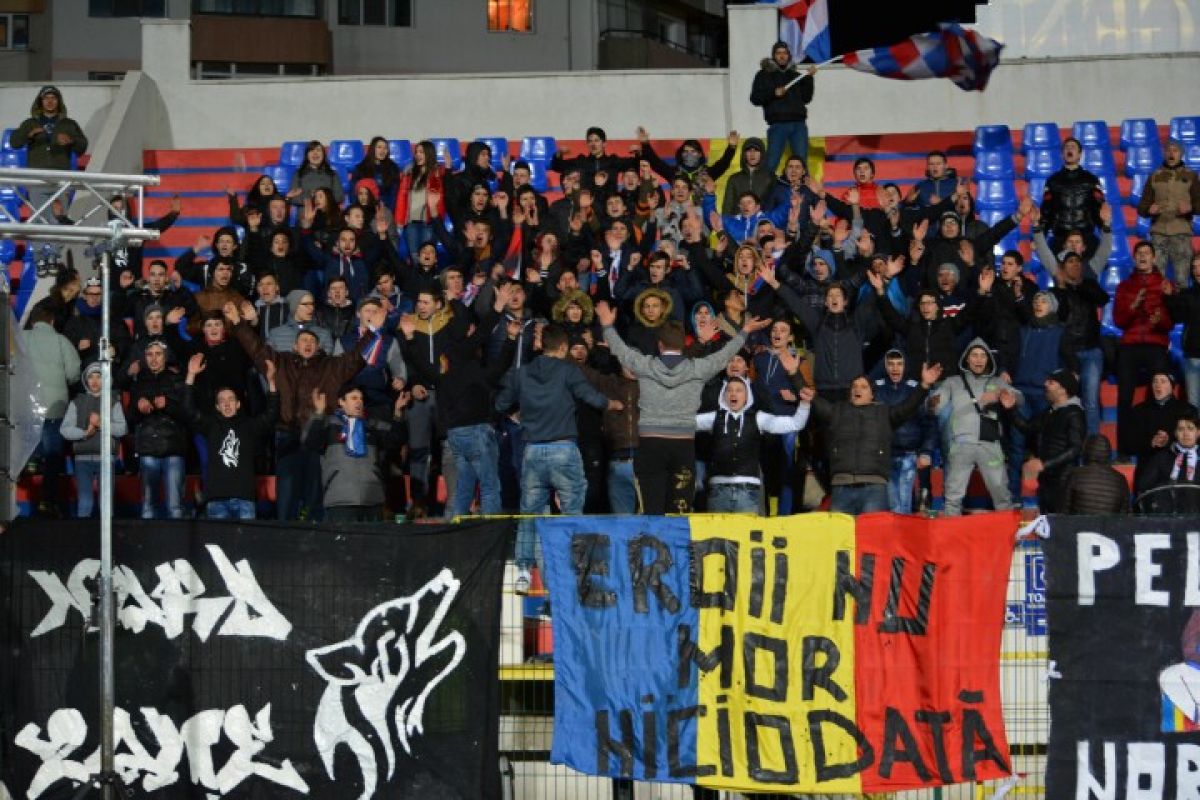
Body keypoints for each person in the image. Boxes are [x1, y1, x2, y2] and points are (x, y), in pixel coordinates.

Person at [597, 300, 770, 514]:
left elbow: (620, 350)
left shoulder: (645, 365)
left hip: (651, 446)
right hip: (683, 446)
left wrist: (607, 325)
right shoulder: (697, 368)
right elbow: (725, 354)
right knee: (678, 512)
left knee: (652, 511)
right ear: (682, 345)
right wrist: (744, 331)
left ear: (660, 345)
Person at [495, 325, 621, 593]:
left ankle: (523, 572)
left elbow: (501, 404)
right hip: (563, 448)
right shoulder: (568, 371)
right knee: (572, 510)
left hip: (532, 451)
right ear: (563, 347)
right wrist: (611, 404)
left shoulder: (522, 373)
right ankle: (573, 571)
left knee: (530, 513)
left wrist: (521, 411)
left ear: (543, 345)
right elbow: (590, 397)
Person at [227, 301, 373, 521]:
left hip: (318, 437)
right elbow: (256, 349)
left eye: (312, 341)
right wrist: (239, 324)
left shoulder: (331, 366)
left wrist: (372, 332)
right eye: (303, 340)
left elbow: (356, 359)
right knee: (286, 498)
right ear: (295, 346)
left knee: (315, 496)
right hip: (287, 434)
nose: (308, 343)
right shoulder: (281, 362)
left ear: (319, 347)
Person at [808, 362, 943, 515]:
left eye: (863, 387)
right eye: (854, 386)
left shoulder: (884, 414)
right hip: (842, 487)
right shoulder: (837, 412)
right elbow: (815, 401)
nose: (857, 389)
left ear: (872, 394)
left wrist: (924, 385)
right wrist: (794, 374)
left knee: (873, 530)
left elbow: (907, 407)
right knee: (840, 531)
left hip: (874, 488)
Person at [694, 349, 812, 514]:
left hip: (748, 491)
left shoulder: (758, 418)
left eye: (739, 390)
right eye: (730, 390)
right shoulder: (714, 417)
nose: (733, 394)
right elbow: (684, 423)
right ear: (724, 395)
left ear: (747, 395)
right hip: (718, 491)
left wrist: (804, 404)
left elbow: (794, 424)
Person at [932, 339, 1023, 516]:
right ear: (967, 359)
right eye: (974, 355)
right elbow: (934, 405)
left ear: (988, 359)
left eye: (983, 355)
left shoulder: (997, 382)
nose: (979, 359)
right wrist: (932, 402)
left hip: (990, 444)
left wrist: (1001, 393)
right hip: (961, 445)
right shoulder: (953, 382)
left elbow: (1020, 398)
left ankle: (1007, 533)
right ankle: (952, 532)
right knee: (953, 497)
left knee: (1002, 495)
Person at [183, 354, 279, 520]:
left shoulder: (249, 426)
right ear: (217, 407)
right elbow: (188, 410)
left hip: (245, 500)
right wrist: (191, 375)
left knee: (246, 539)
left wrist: (271, 381)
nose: (227, 403)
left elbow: (271, 416)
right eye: (222, 400)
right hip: (216, 500)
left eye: (231, 399)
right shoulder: (211, 426)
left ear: (238, 404)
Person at [305, 384, 409, 523]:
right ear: (341, 402)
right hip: (340, 502)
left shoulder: (373, 426)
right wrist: (318, 413)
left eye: (361, 398)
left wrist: (398, 412)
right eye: (354, 398)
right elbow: (311, 442)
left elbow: (396, 440)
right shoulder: (329, 425)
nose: (359, 402)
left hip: (372, 500)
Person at [1113, 241, 1174, 457]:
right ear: (1134, 257)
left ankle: (1159, 447)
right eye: (1139, 253)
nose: (1143, 256)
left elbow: (1171, 323)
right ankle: (1124, 450)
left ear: (1154, 258)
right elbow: (1119, 321)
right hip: (1130, 346)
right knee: (1124, 399)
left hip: (1156, 344)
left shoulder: (1165, 285)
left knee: (1160, 396)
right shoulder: (1125, 286)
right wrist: (1133, 306)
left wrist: (1160, 320)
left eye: (1147, 253)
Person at [1001, 368, 1085, 513]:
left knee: (1058, 520)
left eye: (1051, 382)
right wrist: (1011, 409)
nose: (1045, 384)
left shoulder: (1074, 413)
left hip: (1063, 480)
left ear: (1063, 390)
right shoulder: (1050, 411)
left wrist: (1044, 463)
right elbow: (1028, 427)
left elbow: (1075, 449)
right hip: (1047, 478)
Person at [27, 306, 82, 517]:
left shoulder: (22, 339)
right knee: (53, 455)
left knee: (30, 441)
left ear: (33, 322)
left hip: (29, 404)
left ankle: (32, 462)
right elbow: (73, 373)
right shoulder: (61, 341)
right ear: (52, 322)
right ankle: (47, 501)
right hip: (55, 406)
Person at [128, 340, 189, 520]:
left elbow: (188, 413)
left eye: (158, 354)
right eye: (149, 354)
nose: (153, 358)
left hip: (173, 447)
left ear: (165, 357)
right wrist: (138, 406)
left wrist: (167, 404)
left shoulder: (177, 380)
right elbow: (130, 418)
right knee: (148, 507)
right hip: (148, 448)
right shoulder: (138, 382)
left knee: (175, 508)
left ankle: (176, 539)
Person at [60, 362, 128, 519]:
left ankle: (108, 535)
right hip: (82, 459)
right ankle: (82, 534)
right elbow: (65, 429)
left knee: (106, 505)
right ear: (86, 380)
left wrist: (101, 424)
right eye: (91, 377)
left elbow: (122, 428)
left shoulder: (113, 401)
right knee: (85, 503)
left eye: (99, 376)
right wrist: (84, 433)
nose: (95, 381)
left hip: (106, 459)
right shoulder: (77, 402)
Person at [874, 350, 937, 514]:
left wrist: (926, 452)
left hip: (908, 455)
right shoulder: (875, 388)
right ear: (885, 366)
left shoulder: (917, 389)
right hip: (883, 455)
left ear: (905, 366)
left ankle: (902, 531)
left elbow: (929, 423)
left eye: (899, 364)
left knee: (902, 506)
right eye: (891, 364)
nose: (895, 368)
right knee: (891, 505)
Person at [10, 85, 87, 219]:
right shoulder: (30, 123)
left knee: (60, 219)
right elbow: (14, 143)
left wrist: (71, 140)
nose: (50, 101)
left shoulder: (69, 124)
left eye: (53, 98)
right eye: (46, 98)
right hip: (37, 177)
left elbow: (82, 147)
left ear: (59, 101)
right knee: (39, 219)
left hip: (61, 177)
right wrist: (29, 135)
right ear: (40, 101)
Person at [1137, 138, 1200, 285]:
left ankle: (1182, 300)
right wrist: (1148, 210)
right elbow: (1142, 207)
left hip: (1181, 233)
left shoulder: (1191, 176)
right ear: (1164, 153)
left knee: (1182, 280)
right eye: (1168, 150)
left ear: (1181, 154)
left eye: (1175, 150)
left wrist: (1190, 208)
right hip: (1158, 233)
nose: (1171, 153)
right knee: (1156, 281)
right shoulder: (1154, 176)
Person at [750, 40, 815, 173]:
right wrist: (773, 93)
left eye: (785, 53)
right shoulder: (763, 75)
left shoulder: (796, 76)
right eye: (778, 53)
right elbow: (755, 98)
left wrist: (809, 78)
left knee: (801, 163)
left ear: (789, 56)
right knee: (771, 162)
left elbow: (806, 98)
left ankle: (803, 186)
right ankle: (764, 186)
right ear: (773, 55)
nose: (782, 56)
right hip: (778, 125)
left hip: (798, 125)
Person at [1040, 137, 1105, 251]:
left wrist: (1105, 231)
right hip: (1060, 238)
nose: (1069, 149)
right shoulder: (1053, 181)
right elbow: (1046, 211)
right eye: (1066, 147)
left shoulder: (1091, 180)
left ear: (1080, 155)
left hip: (1086, 237)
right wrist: (1039, 238)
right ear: (1062, 154)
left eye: (1073, 147)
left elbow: (1099, 209)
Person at [1134, 410, 1200, 514]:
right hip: (1168, 516)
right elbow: (1142, 485)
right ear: (1175, 433)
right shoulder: (1162, 457)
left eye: (1190, 429)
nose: (1186, 433)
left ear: (1198, 432)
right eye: (1181, 429)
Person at [1166, 253, 1200, 414]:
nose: (1197, 270)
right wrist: (1170, 298)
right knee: (1193, 406)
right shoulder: (1187, 294)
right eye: (1194, 267)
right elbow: (1177, 317)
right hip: (1192, 356)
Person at [1062, 434, 1130, 514]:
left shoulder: (1074, 475)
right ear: (1108, 454)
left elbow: (1063, 513)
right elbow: (1125, 516)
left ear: (1086, 453)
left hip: (1078, 522)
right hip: (1108, 522)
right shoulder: (1121, 480)